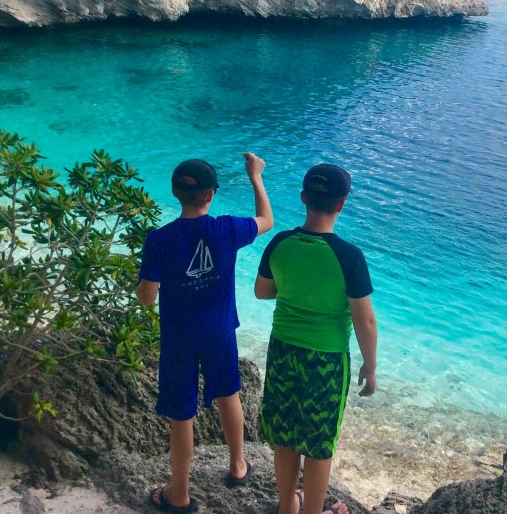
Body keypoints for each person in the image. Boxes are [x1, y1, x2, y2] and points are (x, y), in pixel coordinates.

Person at [137, 153, 273, 513]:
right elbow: (267, 220)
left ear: (173, 192)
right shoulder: (227, 229)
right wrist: (255, 176)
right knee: (229, 394)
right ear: (210, 195)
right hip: (219, 333)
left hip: (179, 339)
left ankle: (178, 494)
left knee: (181, 415)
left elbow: (147, 299)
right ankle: (237, 466)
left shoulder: (160, 239)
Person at [255, 163, 378, 514]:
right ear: (341, 204)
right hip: (325, 360)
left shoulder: (280, 242)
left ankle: (286, 507)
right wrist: (370, 366)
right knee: (319, 444)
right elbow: (364, 319)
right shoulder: (349, 256)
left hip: (282, 351)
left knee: (285, 436)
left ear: (304, 198)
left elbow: (262, 292)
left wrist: (298, 290)